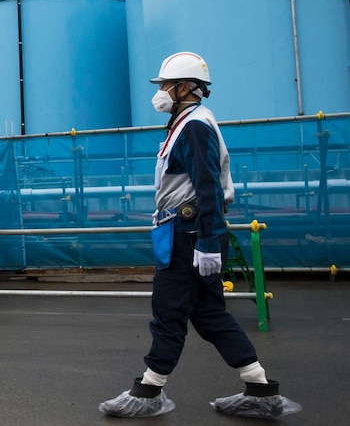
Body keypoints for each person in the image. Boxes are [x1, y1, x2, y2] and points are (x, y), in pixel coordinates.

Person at [99, 52, 301, 419]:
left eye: (165, 85)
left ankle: (149, 390)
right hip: (188, 231)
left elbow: (206, 186)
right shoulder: (186, 123)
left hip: (189, 233)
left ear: (185, 87)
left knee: (169, 310)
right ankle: (260, 387)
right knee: (209, 314)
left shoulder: (194, 125)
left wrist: (208, 243)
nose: (159, 92)